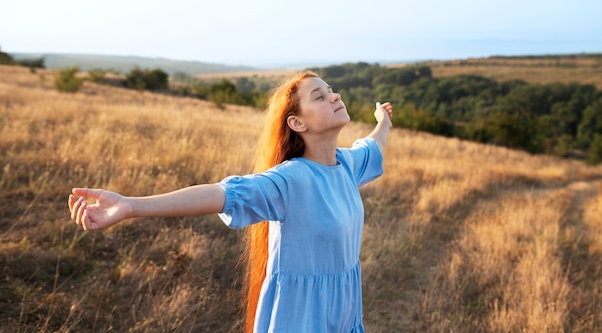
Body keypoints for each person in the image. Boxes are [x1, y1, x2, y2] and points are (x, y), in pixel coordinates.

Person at [68, 71, 393, 333]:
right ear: (297, 123)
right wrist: (131, 206)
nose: (334, 96)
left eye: (331, 90)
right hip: (300, 317)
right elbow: (221, 194)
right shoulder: (289, 180)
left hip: (344, 307)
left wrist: (383, 119)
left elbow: (373, 145)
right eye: (319, 96)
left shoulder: (347, 165)